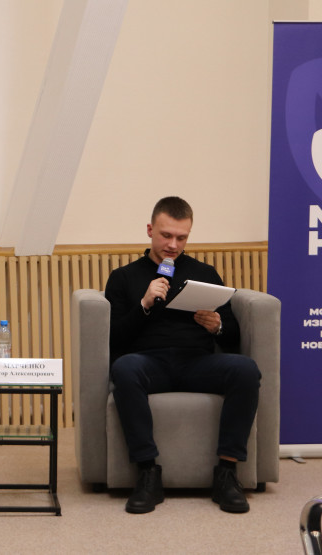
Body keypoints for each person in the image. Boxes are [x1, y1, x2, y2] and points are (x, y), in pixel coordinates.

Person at [104, 196, 260, 514]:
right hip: (149, 363)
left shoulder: (205, 273)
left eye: (181, 237)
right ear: (150, 230)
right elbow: (114, 338)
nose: (173, 245)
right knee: (124, 368)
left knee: (245, 369)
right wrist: (144, 305)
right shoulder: (123, 277)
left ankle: (227, 473)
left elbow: (233, 336)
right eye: (166, 235)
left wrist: (217, 325)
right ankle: (148, 473)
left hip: (197, 362)